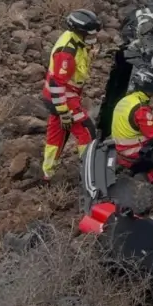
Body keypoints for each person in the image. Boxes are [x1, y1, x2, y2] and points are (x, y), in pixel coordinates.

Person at [42, 9, 100, 181]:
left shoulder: (75, 40)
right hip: (63, 98)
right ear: (79, 32)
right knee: (86, 131)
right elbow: (57, 84)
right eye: (89, 35)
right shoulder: (67, 53)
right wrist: (64, 112)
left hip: (57, 96)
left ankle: (48, 173)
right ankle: (90, 172)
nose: (93, 38)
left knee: (57, 135)